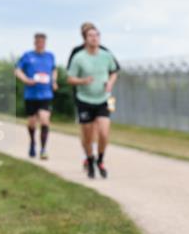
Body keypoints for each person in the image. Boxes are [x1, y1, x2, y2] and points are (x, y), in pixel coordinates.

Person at [67, 21, 120, 172]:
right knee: (88, 131)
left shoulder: (105, 52)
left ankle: (99, 158)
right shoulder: (77, 53)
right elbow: (71, 76)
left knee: (103, 129)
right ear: (84, 36)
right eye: (89, 34)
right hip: (83, 96)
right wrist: (83, 81)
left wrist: (110, 83)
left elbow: (114, 71)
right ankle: (89, 156)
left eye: (96, 34)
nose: (94, 37)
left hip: (105, 96)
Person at [14, 33, 57, 159]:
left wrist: (54, 81)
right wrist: (26, 79)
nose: (41, 44)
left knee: (44, 119)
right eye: (38, 42)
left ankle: (43, 149)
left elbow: (54, 70)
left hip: (46, 94)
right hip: (31, 95)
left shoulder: (50, 56)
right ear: (35, 42)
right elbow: (17, 70)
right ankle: (32, 142)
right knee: (32, 122)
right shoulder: (28, 56)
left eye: (43, 42)